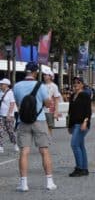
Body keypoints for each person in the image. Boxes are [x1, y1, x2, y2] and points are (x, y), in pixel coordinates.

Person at [13, 62, 57, 191]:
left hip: (23, 121)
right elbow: (48, 104)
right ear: (35, 72)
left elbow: (17, 103)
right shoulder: (41, 86)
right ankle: (49, 182)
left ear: (26, 71)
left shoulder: (17, 86)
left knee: (24, 152)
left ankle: (23, 184)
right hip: (39, 120)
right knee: (44, 151)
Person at [67, 76, 92, 177]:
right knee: (81, 146)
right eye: (74, 83)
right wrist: (69, 125)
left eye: (78, 82)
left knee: (74, 144)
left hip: (82, 124)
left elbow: (88, 110)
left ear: (82, 84)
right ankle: (84, 168)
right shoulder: (73, 95)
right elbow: (70, 112)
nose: (75, 84)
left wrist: (85, 122)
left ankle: (79, 168)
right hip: (74, 124)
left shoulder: (85, 95)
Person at [0, 78, 19, 153]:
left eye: (2, 84)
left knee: (10, 131)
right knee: (0, 130)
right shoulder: (0, 92)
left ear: (7, 85)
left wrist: (9, 114)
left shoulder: (10, 93)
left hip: (9, 115)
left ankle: (15, 144)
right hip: (1, 114)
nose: (0, 85)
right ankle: (0, 146)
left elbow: (12, 104)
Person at [42, 68, 61, 137]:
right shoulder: (42, 85)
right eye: (44, 75)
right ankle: (44, 139)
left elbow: (56, 99)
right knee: (42, 126)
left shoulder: (54, 86)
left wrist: (56, 111)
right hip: (41, 109)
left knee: (49, 126)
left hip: (50, 109)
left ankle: (48, 139)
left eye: (46, 75)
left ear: (50, 76)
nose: (44, 76)